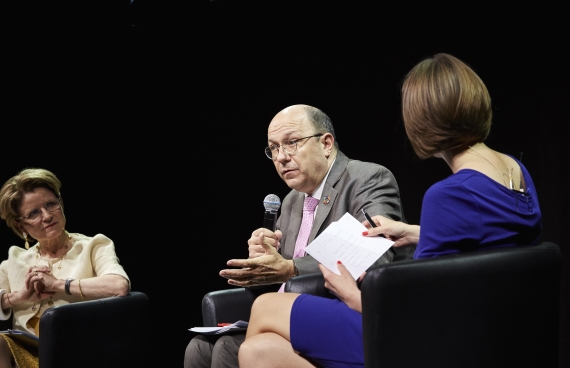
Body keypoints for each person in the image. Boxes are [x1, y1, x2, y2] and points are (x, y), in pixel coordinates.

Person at [237, 53, 543, 368]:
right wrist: (416, 232)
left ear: (420, 121)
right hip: (490, 331)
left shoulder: (448, 194)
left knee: (265, 308)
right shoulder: (515, 171)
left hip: (426, 340)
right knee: (257, 352)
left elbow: (417, 310)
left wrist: (349, 293)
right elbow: (493, 244)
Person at [184, 104, 410, 368]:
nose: (281, 157)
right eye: (274, 148)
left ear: (326, 143)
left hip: (348, 314)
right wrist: (261, 265)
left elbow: (374, 253)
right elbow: (281, 282)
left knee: (227, 347)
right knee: (199, 348)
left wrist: (290, 269)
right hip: (288, 316)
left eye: (291, 143)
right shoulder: (291, 201)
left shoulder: (368, 178)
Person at [0, 168, 130, 368]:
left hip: (79, 351)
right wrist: (20, 297)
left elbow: (119, 285)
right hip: (26, 353)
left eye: (51, 204)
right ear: (20, 226)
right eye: (34, 213)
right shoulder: (14, 260)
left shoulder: (93, 246)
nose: (47, 216)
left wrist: (59, 284)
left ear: (60, 203)